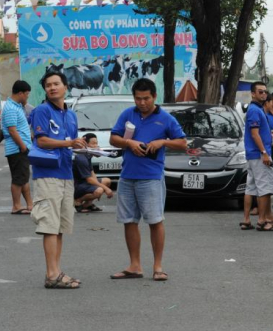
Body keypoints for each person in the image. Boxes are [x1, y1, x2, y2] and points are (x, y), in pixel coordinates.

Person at [109, 78, 187, 282]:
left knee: (155, 221)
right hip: (127, 177)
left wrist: (162, 141)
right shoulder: (128, 114)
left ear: (154, 96)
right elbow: (113, 138)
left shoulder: (166, 119)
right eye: (138, 99)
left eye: (146, 98)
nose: (142, 103)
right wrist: (129, 143)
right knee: (129, 221)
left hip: (151, 178)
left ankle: (158, 266)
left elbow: (182, 143)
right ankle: (135, 265)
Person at [30, 71, 87, 289]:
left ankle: (56, 271)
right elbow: (42, 141)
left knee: (60, 226)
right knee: (49, 226)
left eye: (56, 84)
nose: (52, 88)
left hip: (66, 174)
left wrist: (82, 145)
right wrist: (69, 143)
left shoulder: (71, 115)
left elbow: (70, 142)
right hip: (47, 175)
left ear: (65, 86)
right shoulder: (42, 110)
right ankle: (52, 274)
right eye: (48, 85)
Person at [239, 81, 273, 232]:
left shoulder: (256, 109)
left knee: (251, 188)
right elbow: (254, 133)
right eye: (260, 92)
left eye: (265, 91)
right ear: (253, 93)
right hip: (258, 155)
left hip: (254, 155)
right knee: (264, 189)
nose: (263, 94)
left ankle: (246, 220)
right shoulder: (255, 111)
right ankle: (262, 221)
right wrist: (264, 152)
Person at [2, 80, 33, 215]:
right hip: (17, 149)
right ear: (20, 93)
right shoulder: (10, 108)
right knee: (18, 179)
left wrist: (24, 103)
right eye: (26, 94)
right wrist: (22, 146)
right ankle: (16, 206)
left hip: (22, 147)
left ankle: (30, 204)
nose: (27, 97)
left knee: (24, 177)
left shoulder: (18, 106)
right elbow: (12, 130)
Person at [73, 133, 113, 213]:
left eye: (97, 143)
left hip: (85, 184)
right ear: (85, 144)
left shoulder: (88, 155)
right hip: (77, 186)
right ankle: (77, 201)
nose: (96, 146)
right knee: (99, 190)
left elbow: (92, 174)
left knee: (107, 181)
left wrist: (99, 185)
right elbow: (90, 180)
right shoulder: (81, 158)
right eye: (93, 144)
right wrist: (105, 189)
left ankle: (88, 204)